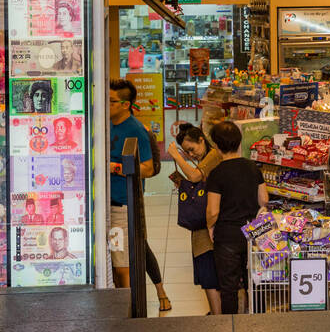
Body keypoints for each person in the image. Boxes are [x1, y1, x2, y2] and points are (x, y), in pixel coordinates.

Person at [108, 79, 170, 311]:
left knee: (123, 264)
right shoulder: (107, 125)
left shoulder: (135, 130)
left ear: (125, 105)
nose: (107, 104)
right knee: (115, 262)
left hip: (123, 207)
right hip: (108, 205)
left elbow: (149, 168)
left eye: (112, 101)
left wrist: (115, 167)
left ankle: (129, 314)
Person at [205, 119, 268, 315]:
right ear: (239, 142)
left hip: (228, 236)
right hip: (253, 233)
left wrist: (210, 227)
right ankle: (259, 321)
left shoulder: (216, 174)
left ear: (216, 146)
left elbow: (212, 211)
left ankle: (230, 327)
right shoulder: (252, 167)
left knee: (229, 287)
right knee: (255, 280)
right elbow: (263, 199)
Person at [168, 123, 223, 315]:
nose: (191, 155)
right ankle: (215, 312)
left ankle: (217, 315)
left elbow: (194, 176)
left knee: (209, 272)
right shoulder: (205, 159)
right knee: (205, 270)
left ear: (202, 139)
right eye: (187, 152)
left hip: (211, 225)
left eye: (192, 149)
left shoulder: (214, 155)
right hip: (201, 226)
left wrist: (176, 156)